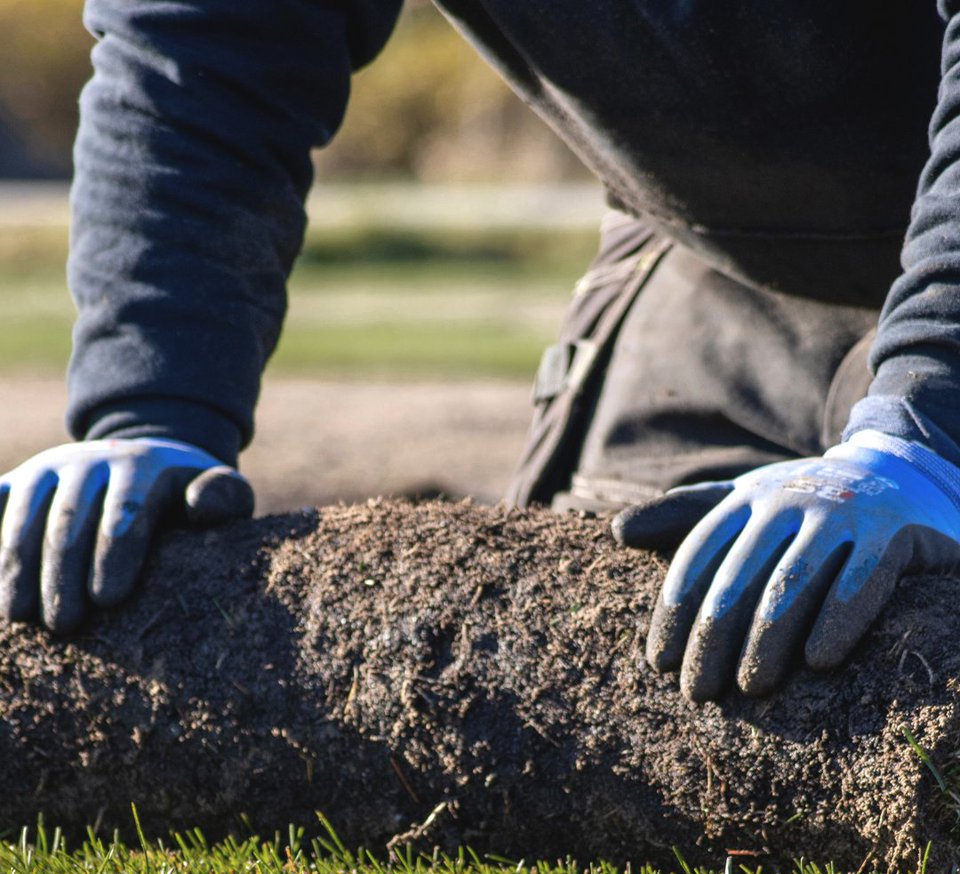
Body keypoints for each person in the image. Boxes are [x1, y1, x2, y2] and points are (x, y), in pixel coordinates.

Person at [2, 1, 960, 704]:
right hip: (719, 261)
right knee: (604, 679)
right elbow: (205, 44)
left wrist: (928, 420)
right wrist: (147, 406)